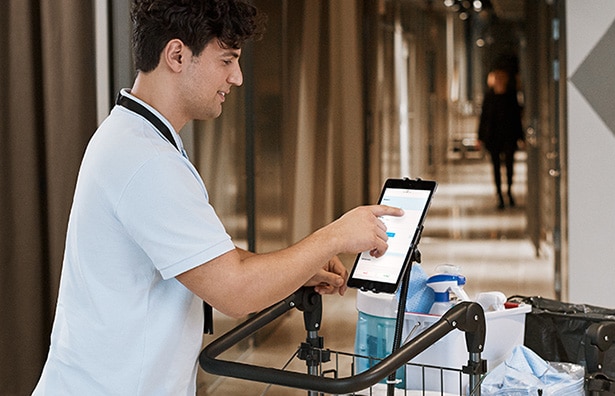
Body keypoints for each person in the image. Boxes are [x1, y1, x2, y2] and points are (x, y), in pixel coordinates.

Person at [32, 1, 403, 394]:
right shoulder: (146, 161)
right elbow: (235, 291)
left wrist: (300, 266)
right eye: (227, 60)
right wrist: (334, 236)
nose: (237, 77)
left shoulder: (138, 138)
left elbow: (212, 258)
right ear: (177, 55)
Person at [477, 67, 525, 209]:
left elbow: (517, 118)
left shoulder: (511, 96)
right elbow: (484, 118)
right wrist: (480, 137)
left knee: (510, 166)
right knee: (496, 166)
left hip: (509, 136)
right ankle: (499, 195)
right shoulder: (489, 97)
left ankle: (509, 191)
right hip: (493, 137)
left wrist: (521, 137)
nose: (499, 80)